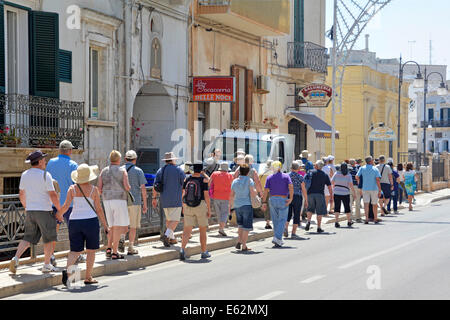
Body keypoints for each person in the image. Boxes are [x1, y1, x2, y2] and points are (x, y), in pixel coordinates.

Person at [10, 151, 62, 274]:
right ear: (38, 162)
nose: (45, 162)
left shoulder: (24, 174)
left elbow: (21, 193)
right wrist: (60, 209)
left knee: (28, 237)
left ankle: (15, 258)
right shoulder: (46, 175)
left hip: (31, 210)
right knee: (48, 239)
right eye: (43, 160)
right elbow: (53, 194)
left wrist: (26, 206)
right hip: (44, 210)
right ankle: (46, 264)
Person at [60, 164, 109, 286]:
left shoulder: (72, 189)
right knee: (91, 251)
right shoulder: (94, 190)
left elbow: (66, 206)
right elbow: (99, 210)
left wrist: (58, 215)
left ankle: (68, 274)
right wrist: (106, 226)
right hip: (90, 221)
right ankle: (88, 277)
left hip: (75, 221)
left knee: (75, 251)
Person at [46, 140, 79, 265]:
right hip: (69, 204)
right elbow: (76, 184)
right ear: (70, 151)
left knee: (53, 231)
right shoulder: (73, 164)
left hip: (53, 202)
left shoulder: (50, 163)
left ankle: (51, 256)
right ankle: (75, 254)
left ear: (60, 150)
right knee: (73, 230)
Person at [98, 150, 131, 260]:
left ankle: (108, 248)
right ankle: (115, 252)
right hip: (119, 199)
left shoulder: (103, 171)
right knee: (117, 227)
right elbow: (127, 187)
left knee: (111, 226)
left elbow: (99, 188)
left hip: (107, 200)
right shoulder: (122, 171)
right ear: (119, 159)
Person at [152, 152, 186, 247]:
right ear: (173, 160)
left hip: (164, 199)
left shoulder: (160, 170)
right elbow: (184, 184)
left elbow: (155, 186)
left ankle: (172, 238)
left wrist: (154, 198)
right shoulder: (179, 170)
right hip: (176, 198)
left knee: (169, 220)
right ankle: (166, 236)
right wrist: (183, 195)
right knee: (175, 220)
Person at [180, 162, 211, 260]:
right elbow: (206, 195)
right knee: (202, 230)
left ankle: (182, 249)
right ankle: (203, 252)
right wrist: (209, 209)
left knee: (187, 230)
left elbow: (183, 192)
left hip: (188, 205)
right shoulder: (203, 180)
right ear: (201, 170)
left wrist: (182, 205)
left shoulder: (187, 178)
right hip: (200, 206)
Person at [262, 161, 293, 247]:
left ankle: (278, 238)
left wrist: (264, 202)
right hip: (283, 199)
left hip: (272, 199)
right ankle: (277, 238)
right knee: (282, 220)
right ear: (280, 167)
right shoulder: (286, 176)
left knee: (275, 220)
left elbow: (265, 191)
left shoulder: (269, 177)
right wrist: (291, 198)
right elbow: (291, 186)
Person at [123, 150, 148, 255]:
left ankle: (120, 241)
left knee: (122, 225)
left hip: (122, 201)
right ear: (135, 159)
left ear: (125, 159)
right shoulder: (138, 171)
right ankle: (130, 247)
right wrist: (145, 205)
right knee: (133, 226)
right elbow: (143, 188)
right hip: (135, 202)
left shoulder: (120, 170)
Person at [230, 164, 257, 252]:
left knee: (240, 225)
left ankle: (239, 240)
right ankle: (244, 245)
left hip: (237, 205)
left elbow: (231, 195)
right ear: (248, 172)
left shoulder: (234, 181)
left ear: (239, 171)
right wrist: (256, 192)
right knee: (246, 226)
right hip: (247, 204)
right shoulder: (249, 180)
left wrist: (230, 206)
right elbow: (253, 193)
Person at [305, 160, 333, 233]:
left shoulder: (310, 172)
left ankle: (308, 221)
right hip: (320, 194)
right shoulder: (324, 175)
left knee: (310, 209)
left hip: (310, 193)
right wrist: (331, 197)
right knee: (319, 211)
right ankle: (319, 227)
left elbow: (304, 181)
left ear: (316, 166)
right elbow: (329, 186)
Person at [284, 162, 308, 239]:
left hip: (288, 196)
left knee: (288, 213)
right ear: (298, 169)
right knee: (297, 214)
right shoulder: (300, 177)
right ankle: (293, 233)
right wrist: (306, 200)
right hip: (297, 196)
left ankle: (286, 228)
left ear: (291, 168)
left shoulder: (287, 176)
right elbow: (303, 189)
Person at [209, 162, 233, 236]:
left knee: (218, 213)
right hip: (226, 197)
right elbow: (232, 187)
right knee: (225, 213)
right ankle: (221, 228)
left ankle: (221, 227)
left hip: (216, 196)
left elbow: (209, 183)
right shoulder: (230, 176)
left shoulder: (214, 174)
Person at [356, 156, 382, 224]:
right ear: (371, 161)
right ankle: (375, 218)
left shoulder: (362, 168)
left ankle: (366, 218)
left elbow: (357, 176)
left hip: (365, 188)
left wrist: (360, 183)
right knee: (374, 204)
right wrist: (380, 189)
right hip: (374, 188)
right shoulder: (375, 169)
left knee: (366, 204)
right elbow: (378, 180)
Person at [332, 162, 356, 228]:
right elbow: (351, 185)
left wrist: (335, 186)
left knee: (337, 207)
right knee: (347, 207)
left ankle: (336, 222)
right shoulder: (348, 175)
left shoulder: (336, 173)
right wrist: (354, 193)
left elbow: (332, 182)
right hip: (345, 193)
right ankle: (349, 221)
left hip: (336, 192)